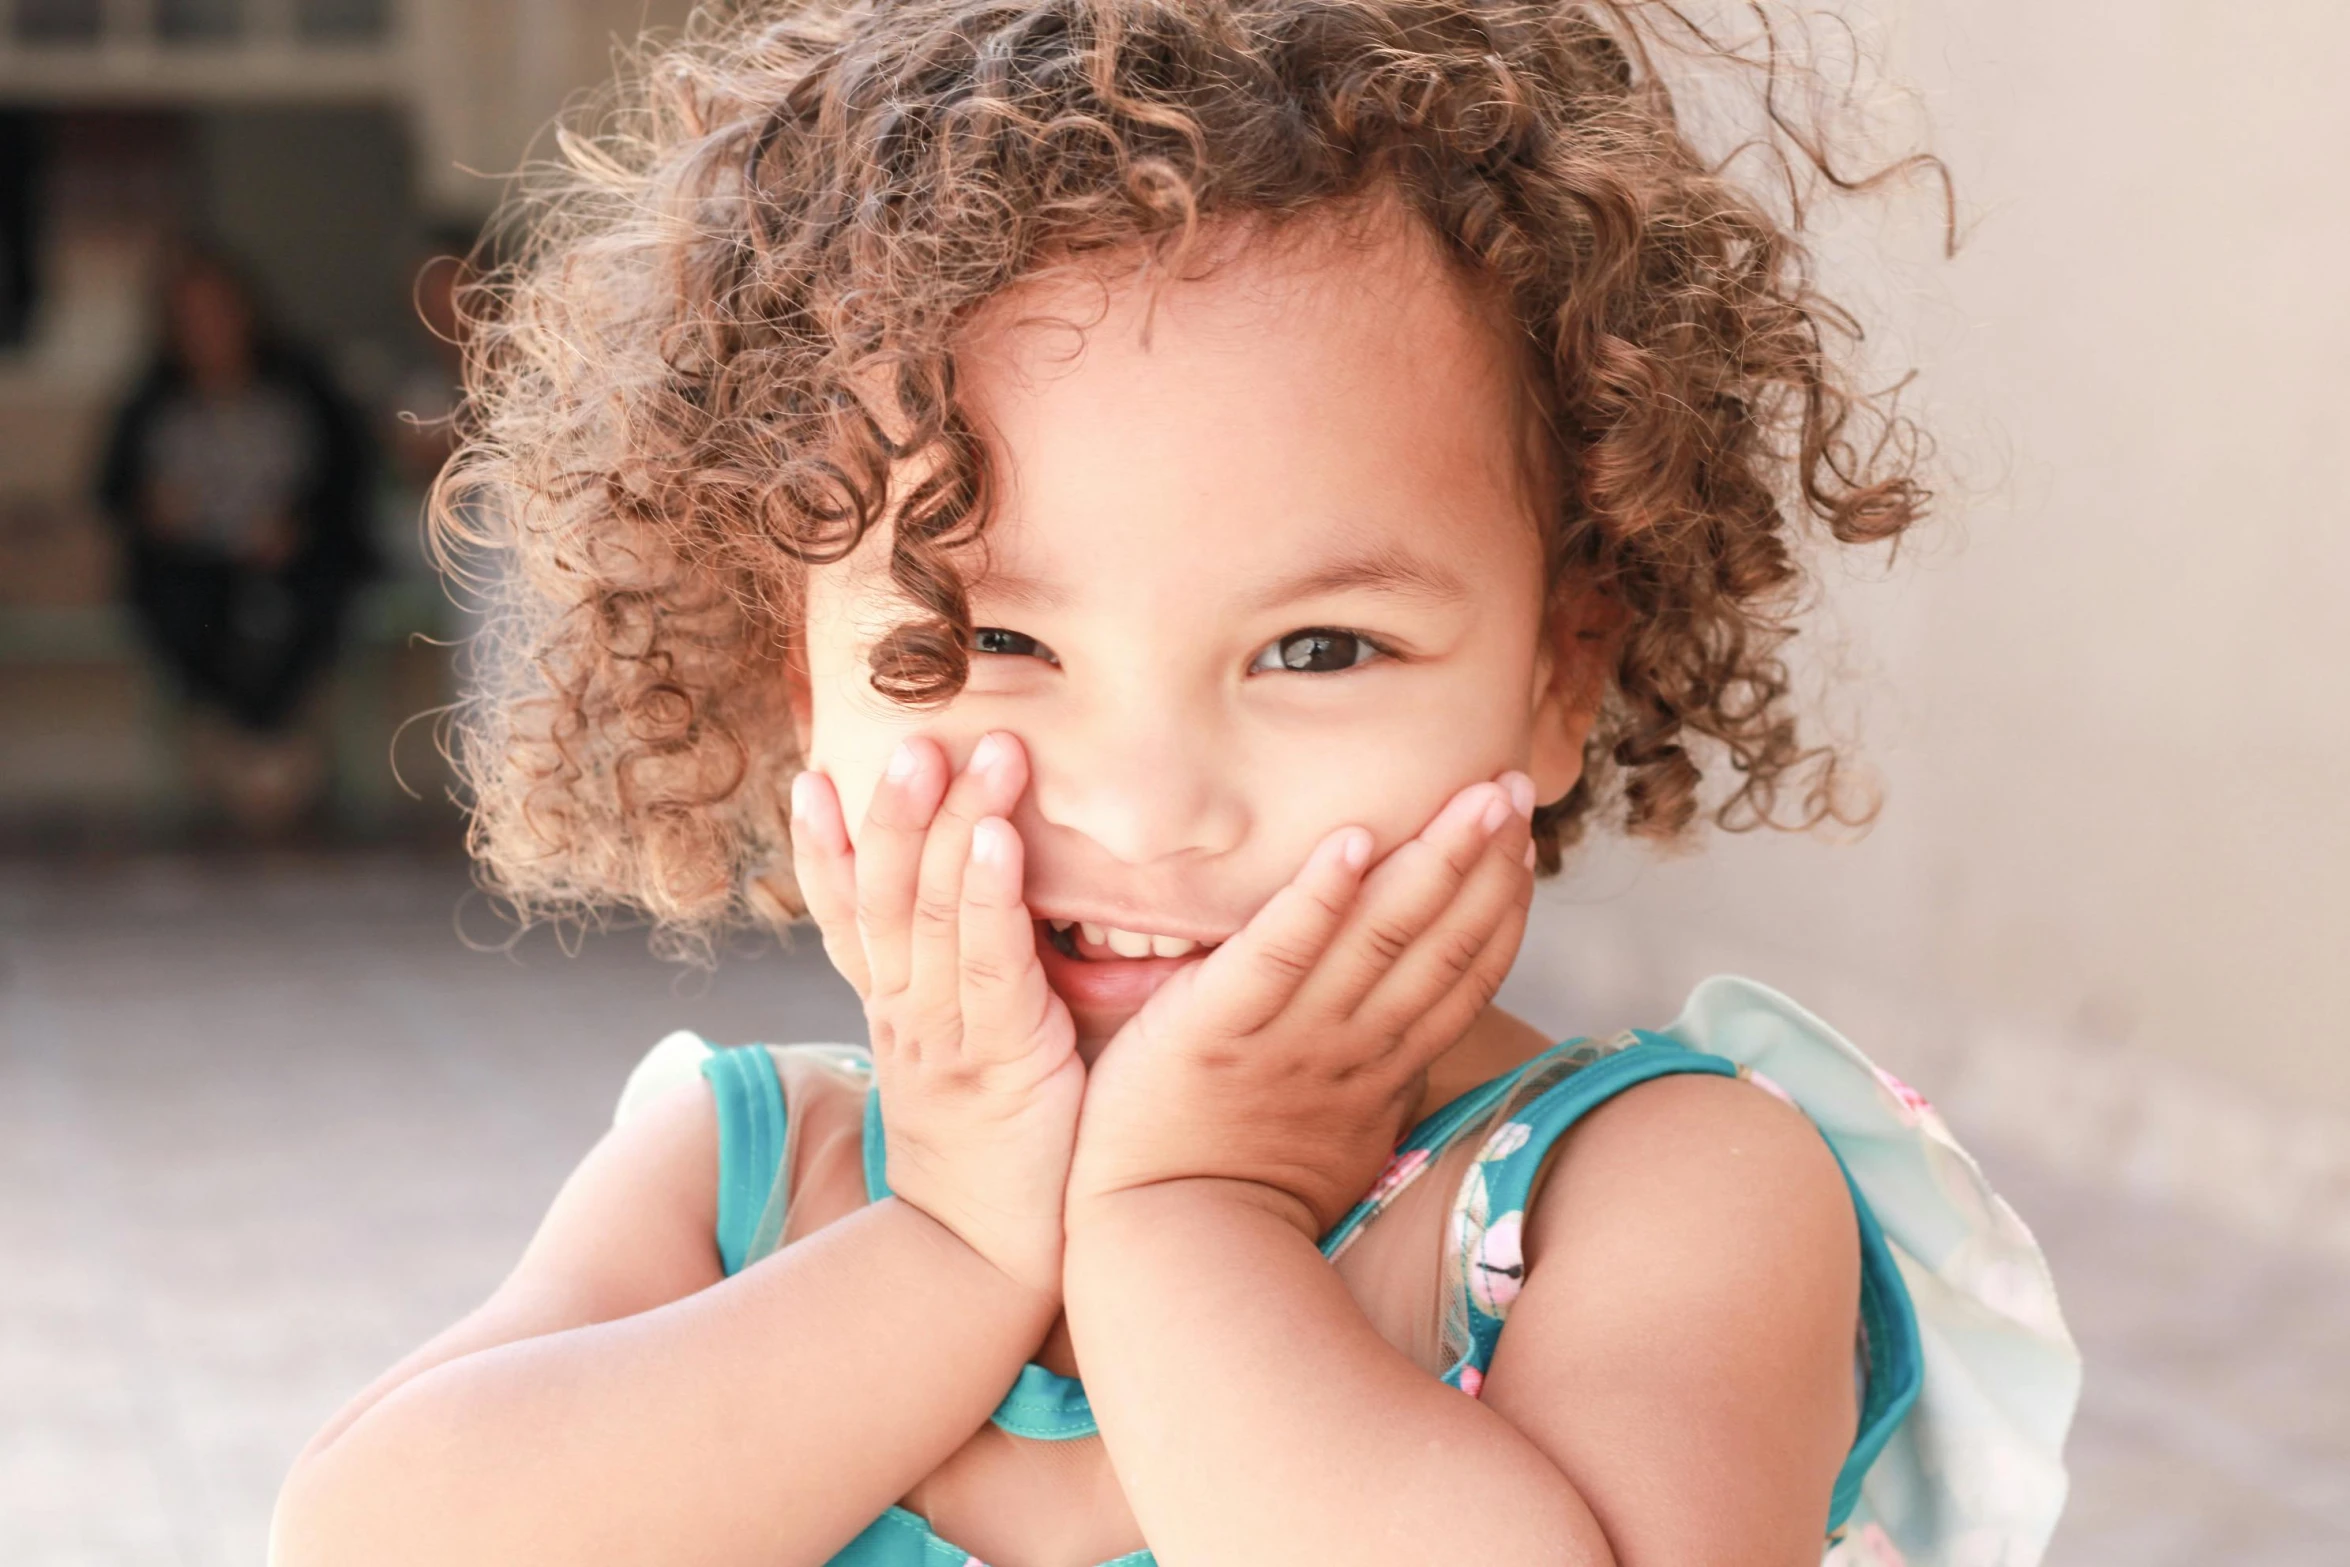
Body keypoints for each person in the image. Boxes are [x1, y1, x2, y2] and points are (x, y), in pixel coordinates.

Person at [273, 2, 2081, 1563]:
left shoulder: (1652, 1188)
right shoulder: (761, 1173)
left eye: (1316, 650)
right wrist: (952, 1245)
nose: (1150, 806)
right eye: (982, 643)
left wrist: (1184, 1228)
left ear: (1557, 676)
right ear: (784, 678)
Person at [97, 250, 375, 834]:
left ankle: (270, 742)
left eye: (220, 312)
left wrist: (297, 522)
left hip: (292, 561)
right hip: (191, 568)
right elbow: (112, 492)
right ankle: (242, 747)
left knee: (309, 606)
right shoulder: (149, 398)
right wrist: (156, 510)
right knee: (185, 612)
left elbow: (347, 478)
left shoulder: (301, 384)